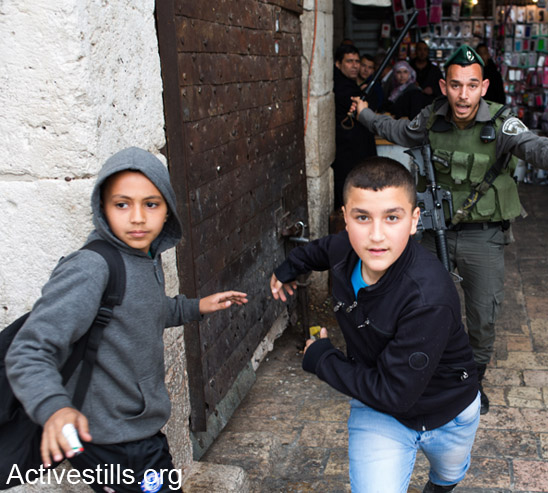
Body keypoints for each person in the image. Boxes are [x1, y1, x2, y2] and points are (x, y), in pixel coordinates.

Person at [351, 45, 548, 414]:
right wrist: (365, 113)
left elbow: (532, 145)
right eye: (455, 85)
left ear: (484, 87)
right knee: (420, 307)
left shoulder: (501, 123)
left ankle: (470, 382)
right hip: (435, 233)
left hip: (484, 236)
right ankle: (422, 374)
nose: (463, 95)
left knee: (483, 314)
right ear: (443, 86)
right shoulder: (430, 120)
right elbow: (395, 130)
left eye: (471, 85)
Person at [6, 147, 248, 492]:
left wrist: (195, 307)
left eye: (151, 204)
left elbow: (143, 311)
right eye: (122, 204)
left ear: (168, 211)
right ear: (102, 208)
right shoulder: (91, 267)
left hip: (137, 429)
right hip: (109, 439)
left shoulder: (145, 258)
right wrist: (54, 409)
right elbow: (29, 349)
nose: (137, 217)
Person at [270, 157, 480, 493]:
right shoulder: (344, 247)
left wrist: (323, 359)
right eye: (363, 217)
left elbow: (395, 392)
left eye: (392, 217)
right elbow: (318, 251)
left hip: (449, 411)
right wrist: (287, 269)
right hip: (380, 412)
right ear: (346, 218)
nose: (376, 235)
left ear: (414, 221)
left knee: (447, 476)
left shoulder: (429, 298)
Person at [332, 44, 377, 209]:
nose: (355, 65)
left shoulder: (352, 84)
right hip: (348, 152)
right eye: (349, 61)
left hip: (355, 151)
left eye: (357, 61)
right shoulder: (340, 85)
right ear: (338, 64)